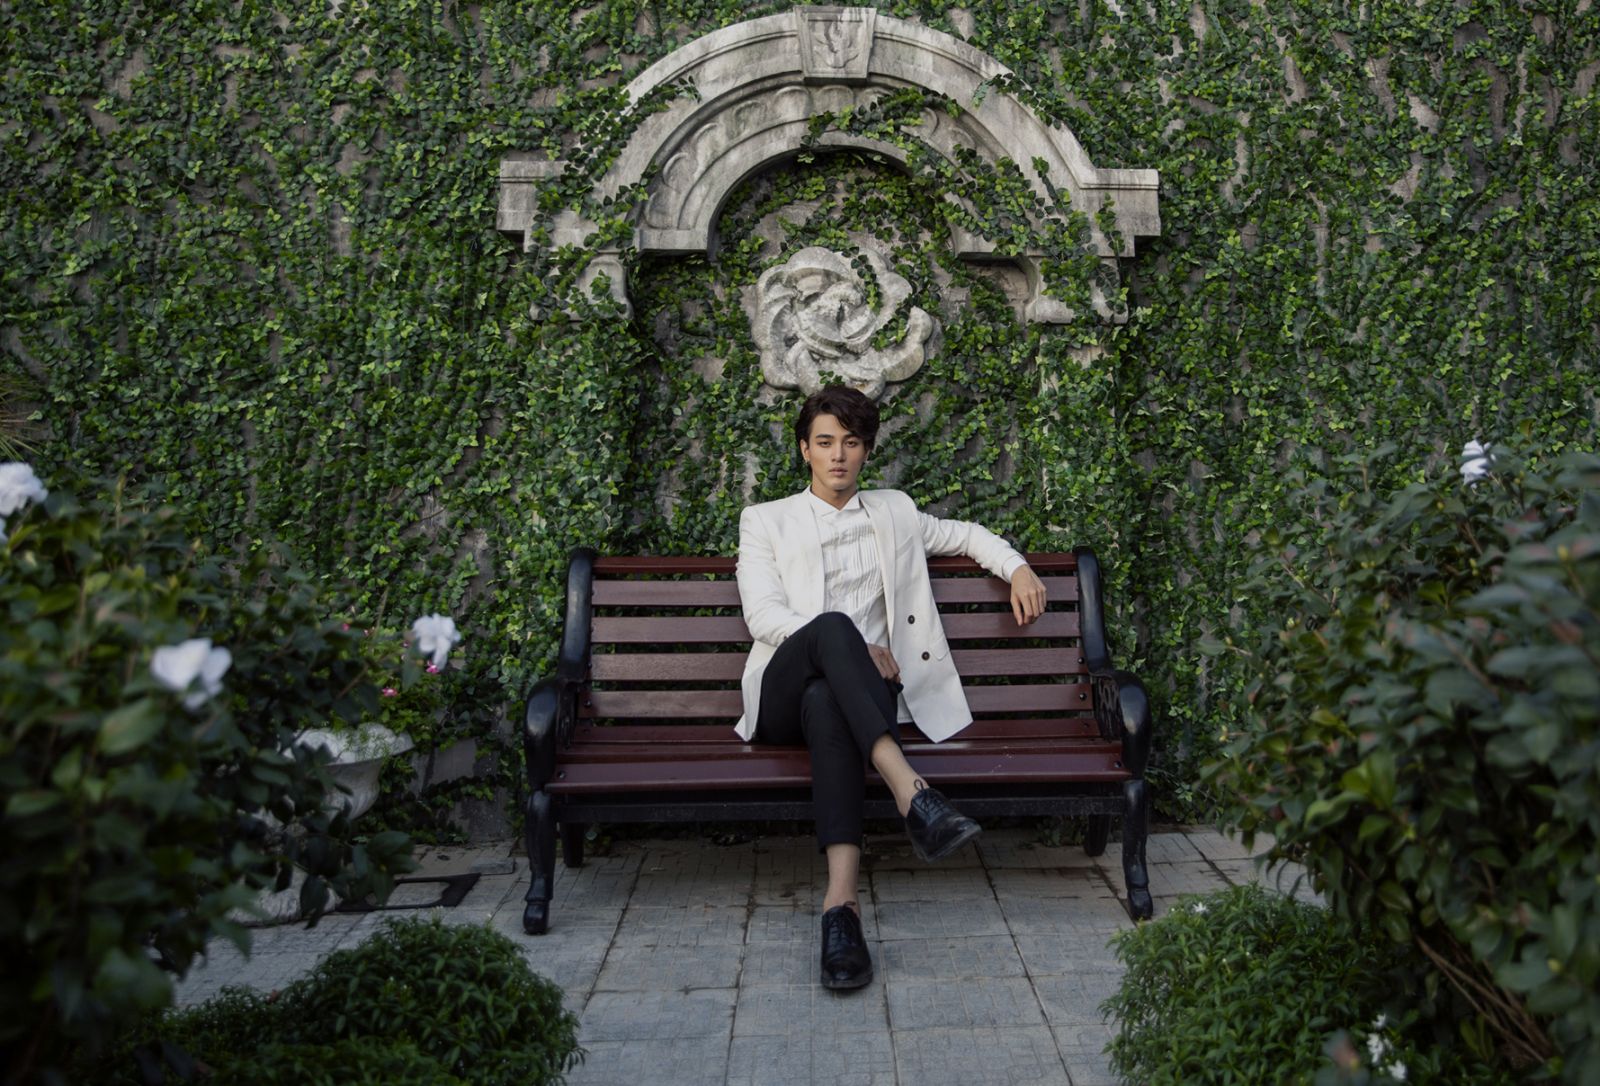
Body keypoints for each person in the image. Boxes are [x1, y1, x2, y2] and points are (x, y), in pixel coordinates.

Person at [735, 385, 1047, 990]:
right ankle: (911, 791)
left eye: (851, 443)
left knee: (830, 701)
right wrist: (847, 642)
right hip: (779, 694)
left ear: (866, 451)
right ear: (804, 450)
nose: (838, 456)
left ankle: (840, 911)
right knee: (831, 635)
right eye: (824, 442)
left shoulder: (896, 512)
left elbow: (964, 535)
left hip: (856, 702)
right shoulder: (765, 520)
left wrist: (1017, 566)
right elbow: (764, 617)